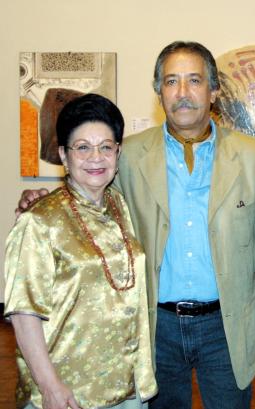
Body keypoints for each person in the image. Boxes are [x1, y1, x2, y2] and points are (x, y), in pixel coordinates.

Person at [17, 41, 255, 409]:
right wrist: (43, 201)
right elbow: (91, 196)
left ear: (214, 90)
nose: (182, 93)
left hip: (227, 327)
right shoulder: (128, 155)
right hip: (156, 327)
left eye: (194, 81)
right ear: (159, 92)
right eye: (171, 82)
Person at [6, 93, 157, 409]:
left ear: (118, 152)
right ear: (63, 154)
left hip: (128, 387)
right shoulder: (39, 220)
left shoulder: (119, 205)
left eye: (106, 147)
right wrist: (51, 387)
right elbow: (24, 314)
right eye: (83, 147)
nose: (96, 157)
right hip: (69, 391)